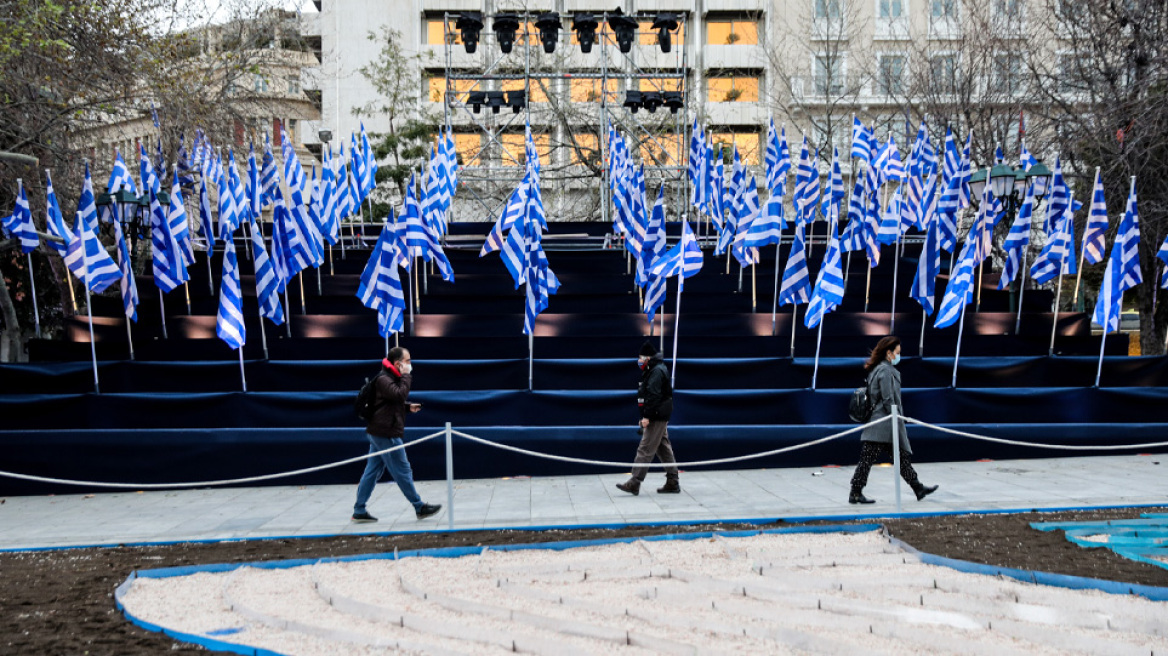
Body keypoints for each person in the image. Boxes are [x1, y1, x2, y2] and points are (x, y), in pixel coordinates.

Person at [351, 347, 442, 522]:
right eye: (407, 361)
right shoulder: (384, 379)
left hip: (379, 430)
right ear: (397, 363)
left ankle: (359, 510)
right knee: (402, 470)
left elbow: (390, 403)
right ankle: (419, 506)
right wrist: (407, 376)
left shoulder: (388, 378)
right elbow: (399, 395)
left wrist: (408, 407)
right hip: (386, 433)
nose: (410, 365)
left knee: (372, 472)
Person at [848, 335, 938, 505]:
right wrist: (897, 418)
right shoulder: (886, 371)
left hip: (880, 422)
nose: (898, 356)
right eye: (897, 352)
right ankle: (856, 492)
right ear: (889, 353)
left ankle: (917, 488)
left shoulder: (877, 369)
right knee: (875, 459)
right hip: (885, 423)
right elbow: (889, 399)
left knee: (894, 458)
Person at [616, 341, 680, 496]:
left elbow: (653, 396)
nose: (639, 361)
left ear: (647, 358)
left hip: (656, 415)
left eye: (640, 357)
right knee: (663, 447)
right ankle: (673, 481)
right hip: (660, 413)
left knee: (645, 448)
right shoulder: (655, 369)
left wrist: (647, 417)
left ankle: (634, 482)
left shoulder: (656, 371)